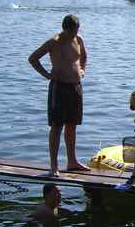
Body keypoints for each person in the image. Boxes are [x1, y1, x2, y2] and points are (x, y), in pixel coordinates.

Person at [28, 14, 90, 176]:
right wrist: (47, 75)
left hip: (76, 87)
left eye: (77, 31)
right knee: (56, 126)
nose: (74, 34)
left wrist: (82, 70)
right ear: (65, 29)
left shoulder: (79, 39)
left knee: (72, 125)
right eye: (72, 31)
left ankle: (72, 161)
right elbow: (33, 58)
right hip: (59, 87)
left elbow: (83, 56)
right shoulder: (54, 42)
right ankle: (54, 166)